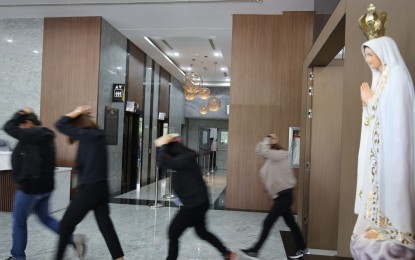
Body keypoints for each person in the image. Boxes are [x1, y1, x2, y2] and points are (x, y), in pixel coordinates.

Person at [351, 36, 415, 259]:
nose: (367, 60)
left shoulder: (396, 77)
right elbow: (373, 118)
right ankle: (378, 225)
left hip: (394, 148)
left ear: (383, 52)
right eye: (365, 55)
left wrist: (371, 102)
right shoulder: (381, 78)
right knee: (378, 184)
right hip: (380, 151)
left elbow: (395, 117)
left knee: (394, 185)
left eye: (370, 54)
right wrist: (367, 104)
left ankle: (395, 230)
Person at [3, 108, 85, 260]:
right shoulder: (45, 135)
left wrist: (20, 113)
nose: (20, 129)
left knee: (19, 222)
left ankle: (17, 257)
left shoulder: (32, 134)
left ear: (28, 123)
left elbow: (8, 127)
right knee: (45, 218)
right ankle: (73, 239)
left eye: (21, 125)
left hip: (30, 188)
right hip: (45, 187)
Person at [54, 106, 124, 260]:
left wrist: (76, 111)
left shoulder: (86, 136)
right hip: (101, 188)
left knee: (66, 225)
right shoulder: (98, 137)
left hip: (90, 189)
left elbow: (59, 124)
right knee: (106, 226)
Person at [154, 134, 237, 260]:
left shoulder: (183, 159)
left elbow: (162, 161)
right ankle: (227, 254)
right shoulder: (184, 156)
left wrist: (164, 145)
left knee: (173, 232)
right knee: (202, 232)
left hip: (193, 204)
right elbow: (163, 162)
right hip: (198, 202)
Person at [241, 134, 307, 259]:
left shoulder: (280, 154)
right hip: (282, 197)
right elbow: (259, 150)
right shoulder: (271, 159)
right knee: (291, 223)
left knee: (268, 222)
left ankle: (255, 250)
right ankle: (302, 247)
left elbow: (265, 151)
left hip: (284, 196)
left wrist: (269, 139)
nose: (265, 154)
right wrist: (266, 138)